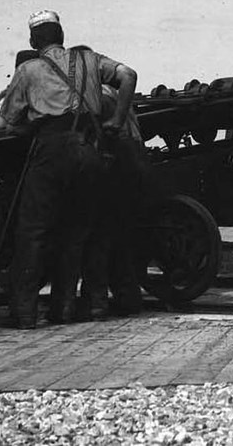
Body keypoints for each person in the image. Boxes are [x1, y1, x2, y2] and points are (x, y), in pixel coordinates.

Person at [0, 10, 136, 329]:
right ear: (62, 34)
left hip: (51, 149)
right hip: (89, 148)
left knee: (33, 230)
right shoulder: (89, 60)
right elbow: (129, 75)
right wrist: (116, 120)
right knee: (77, 231)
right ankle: (64, 308)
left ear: (33, 40)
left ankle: (25, 313)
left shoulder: (28, 69)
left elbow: (10, 123)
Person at [78, 83, 151, 319]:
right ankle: (128, 299)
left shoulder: (97, 98)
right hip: (130, 176)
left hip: (109, 178)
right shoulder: (115, 96)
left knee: (96, 242)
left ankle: (95, 303)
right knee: (120, 243)